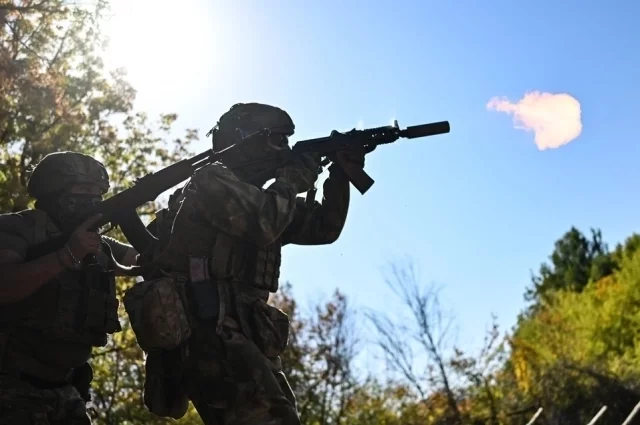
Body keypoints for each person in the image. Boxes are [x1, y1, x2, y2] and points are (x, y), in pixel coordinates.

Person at [131, 102, 365, 425]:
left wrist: (339, 173)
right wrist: (290, 181)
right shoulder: (210, 181)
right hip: (209, 334)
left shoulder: (261, 197)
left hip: (243, 336)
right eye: (277, 140)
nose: (285, 150)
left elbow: (324, 228)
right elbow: (263, 223)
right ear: (245, 140)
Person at [0, 151, 138, 424]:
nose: (93, 198)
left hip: (67, 392)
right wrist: (67, 255)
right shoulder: (17, 228)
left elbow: (147, 259)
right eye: (84, 189)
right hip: (10, 389)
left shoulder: (97, 244)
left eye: (98, 192)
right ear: (54, 190)